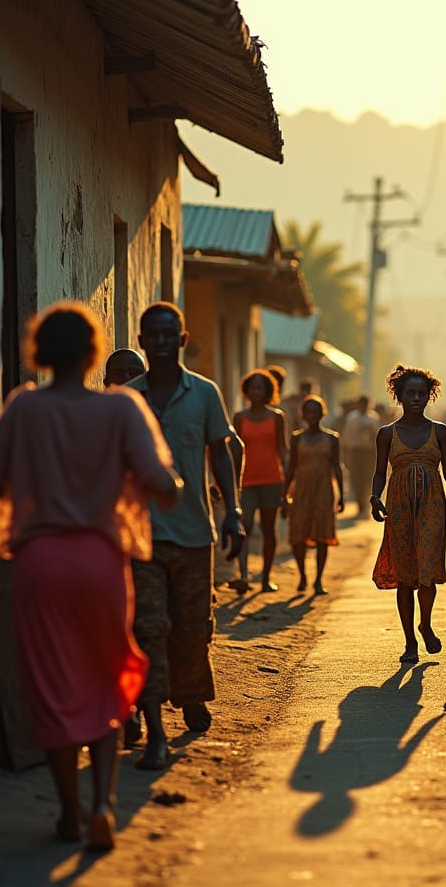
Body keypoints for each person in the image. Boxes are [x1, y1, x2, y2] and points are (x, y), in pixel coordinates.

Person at [0, 302, 180, 850]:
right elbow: (163, 484)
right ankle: (102, 805)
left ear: (39, 352)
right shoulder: (121, 410)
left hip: (39, 564)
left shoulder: (23, 409)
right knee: (103, 675)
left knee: (52, 685)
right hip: (100, 562)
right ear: (94, 353)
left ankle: (68, 813)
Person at [126, 303, 245, 770]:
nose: (159, 341)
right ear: (140, 341)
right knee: (149, 629)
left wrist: (233, 510)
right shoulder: (127, 400)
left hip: (196, 534)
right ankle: (154, 727)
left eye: (167, 333)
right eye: (151, 334)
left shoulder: (205, 394)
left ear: (183, 339)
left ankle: (192, 694)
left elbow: (220, 453)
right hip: (141, 537)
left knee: (194, 628)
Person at [371, 364, 446, 663]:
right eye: (410, 393)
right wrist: (373, 497)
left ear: (430, 397)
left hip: (433, 508)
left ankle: (425, 624)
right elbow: (380, 473)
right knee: (406, 578)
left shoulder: (439, 431)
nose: (416, 398)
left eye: (422, 393)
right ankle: (409, 642)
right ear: (399, 396)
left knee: (427, 575)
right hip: (399, 509)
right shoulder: (387, 434)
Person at [281, 395, 344, 594]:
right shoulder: (297, 437)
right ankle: (302, 576)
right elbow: (291, 467)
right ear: (303, 415)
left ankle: (318, 580)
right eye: (308, 412)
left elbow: (337, 467)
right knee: (298, 533)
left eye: (315, 412)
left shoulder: (332, 438)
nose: (312, 416)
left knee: (322, 536)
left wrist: (341, 494)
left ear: (322, 414)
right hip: (300, 490)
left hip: (324, 490)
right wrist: (284, 496)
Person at [233, 369, 288, 593]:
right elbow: (234, 452)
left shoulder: (277, 417)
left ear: (268, 392)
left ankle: (266, 577)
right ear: (247, 391)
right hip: (245, 481)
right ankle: (244, 575)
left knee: (268, 529)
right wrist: (231, 481)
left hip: (272, 480)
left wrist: (286, 486)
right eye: (253, 388)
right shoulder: (239, 418)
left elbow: (282, 451)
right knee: (243, 528)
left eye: (261, 388)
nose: (256, 392)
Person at [341, 394, 380, 518]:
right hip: (356, 451)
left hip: (369, 452)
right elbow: (347, 437)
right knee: (356, 478)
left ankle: (366, 503)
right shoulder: (352, 418)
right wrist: (346, 453)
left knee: (368, 478)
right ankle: (360, 504)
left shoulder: (373, 418)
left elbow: (378, 436)